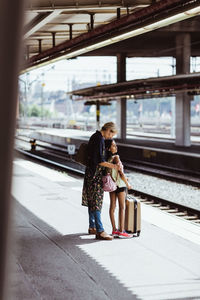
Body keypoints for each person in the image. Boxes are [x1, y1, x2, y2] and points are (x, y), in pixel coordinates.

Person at [82, 122, 120, 240]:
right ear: (108, 130)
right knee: (97, 201)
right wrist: (113, 166)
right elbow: (99, 160)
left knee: (92, 200)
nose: (111, 137)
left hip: (90, 173)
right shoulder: (99, 139)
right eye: (112, 134)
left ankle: (92, 226)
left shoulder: (95, 136)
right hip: (95, 175)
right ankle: (100, 230)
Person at [105, 139, 132, 239]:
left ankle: (114, 230)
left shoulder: (107, 159)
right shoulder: (116, 157)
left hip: (112, 185)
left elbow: (112, 173)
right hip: (120, 185)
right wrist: (127, 183)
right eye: (113, 146)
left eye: (115, 145)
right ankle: (121, 231)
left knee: (112, 207)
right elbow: (121, 173)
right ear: (108, 148)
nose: (116, 147)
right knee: (122, 207)